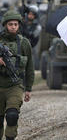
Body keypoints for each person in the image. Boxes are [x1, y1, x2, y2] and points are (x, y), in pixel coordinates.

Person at [0, 10, 34, 140]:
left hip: (15, 85)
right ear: (5, 25)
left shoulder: (24, 43)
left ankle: (10, 137)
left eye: (15, 24)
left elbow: (30, 66)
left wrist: (29, 89)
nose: (13, 27)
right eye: (10, 24)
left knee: (12, 115)